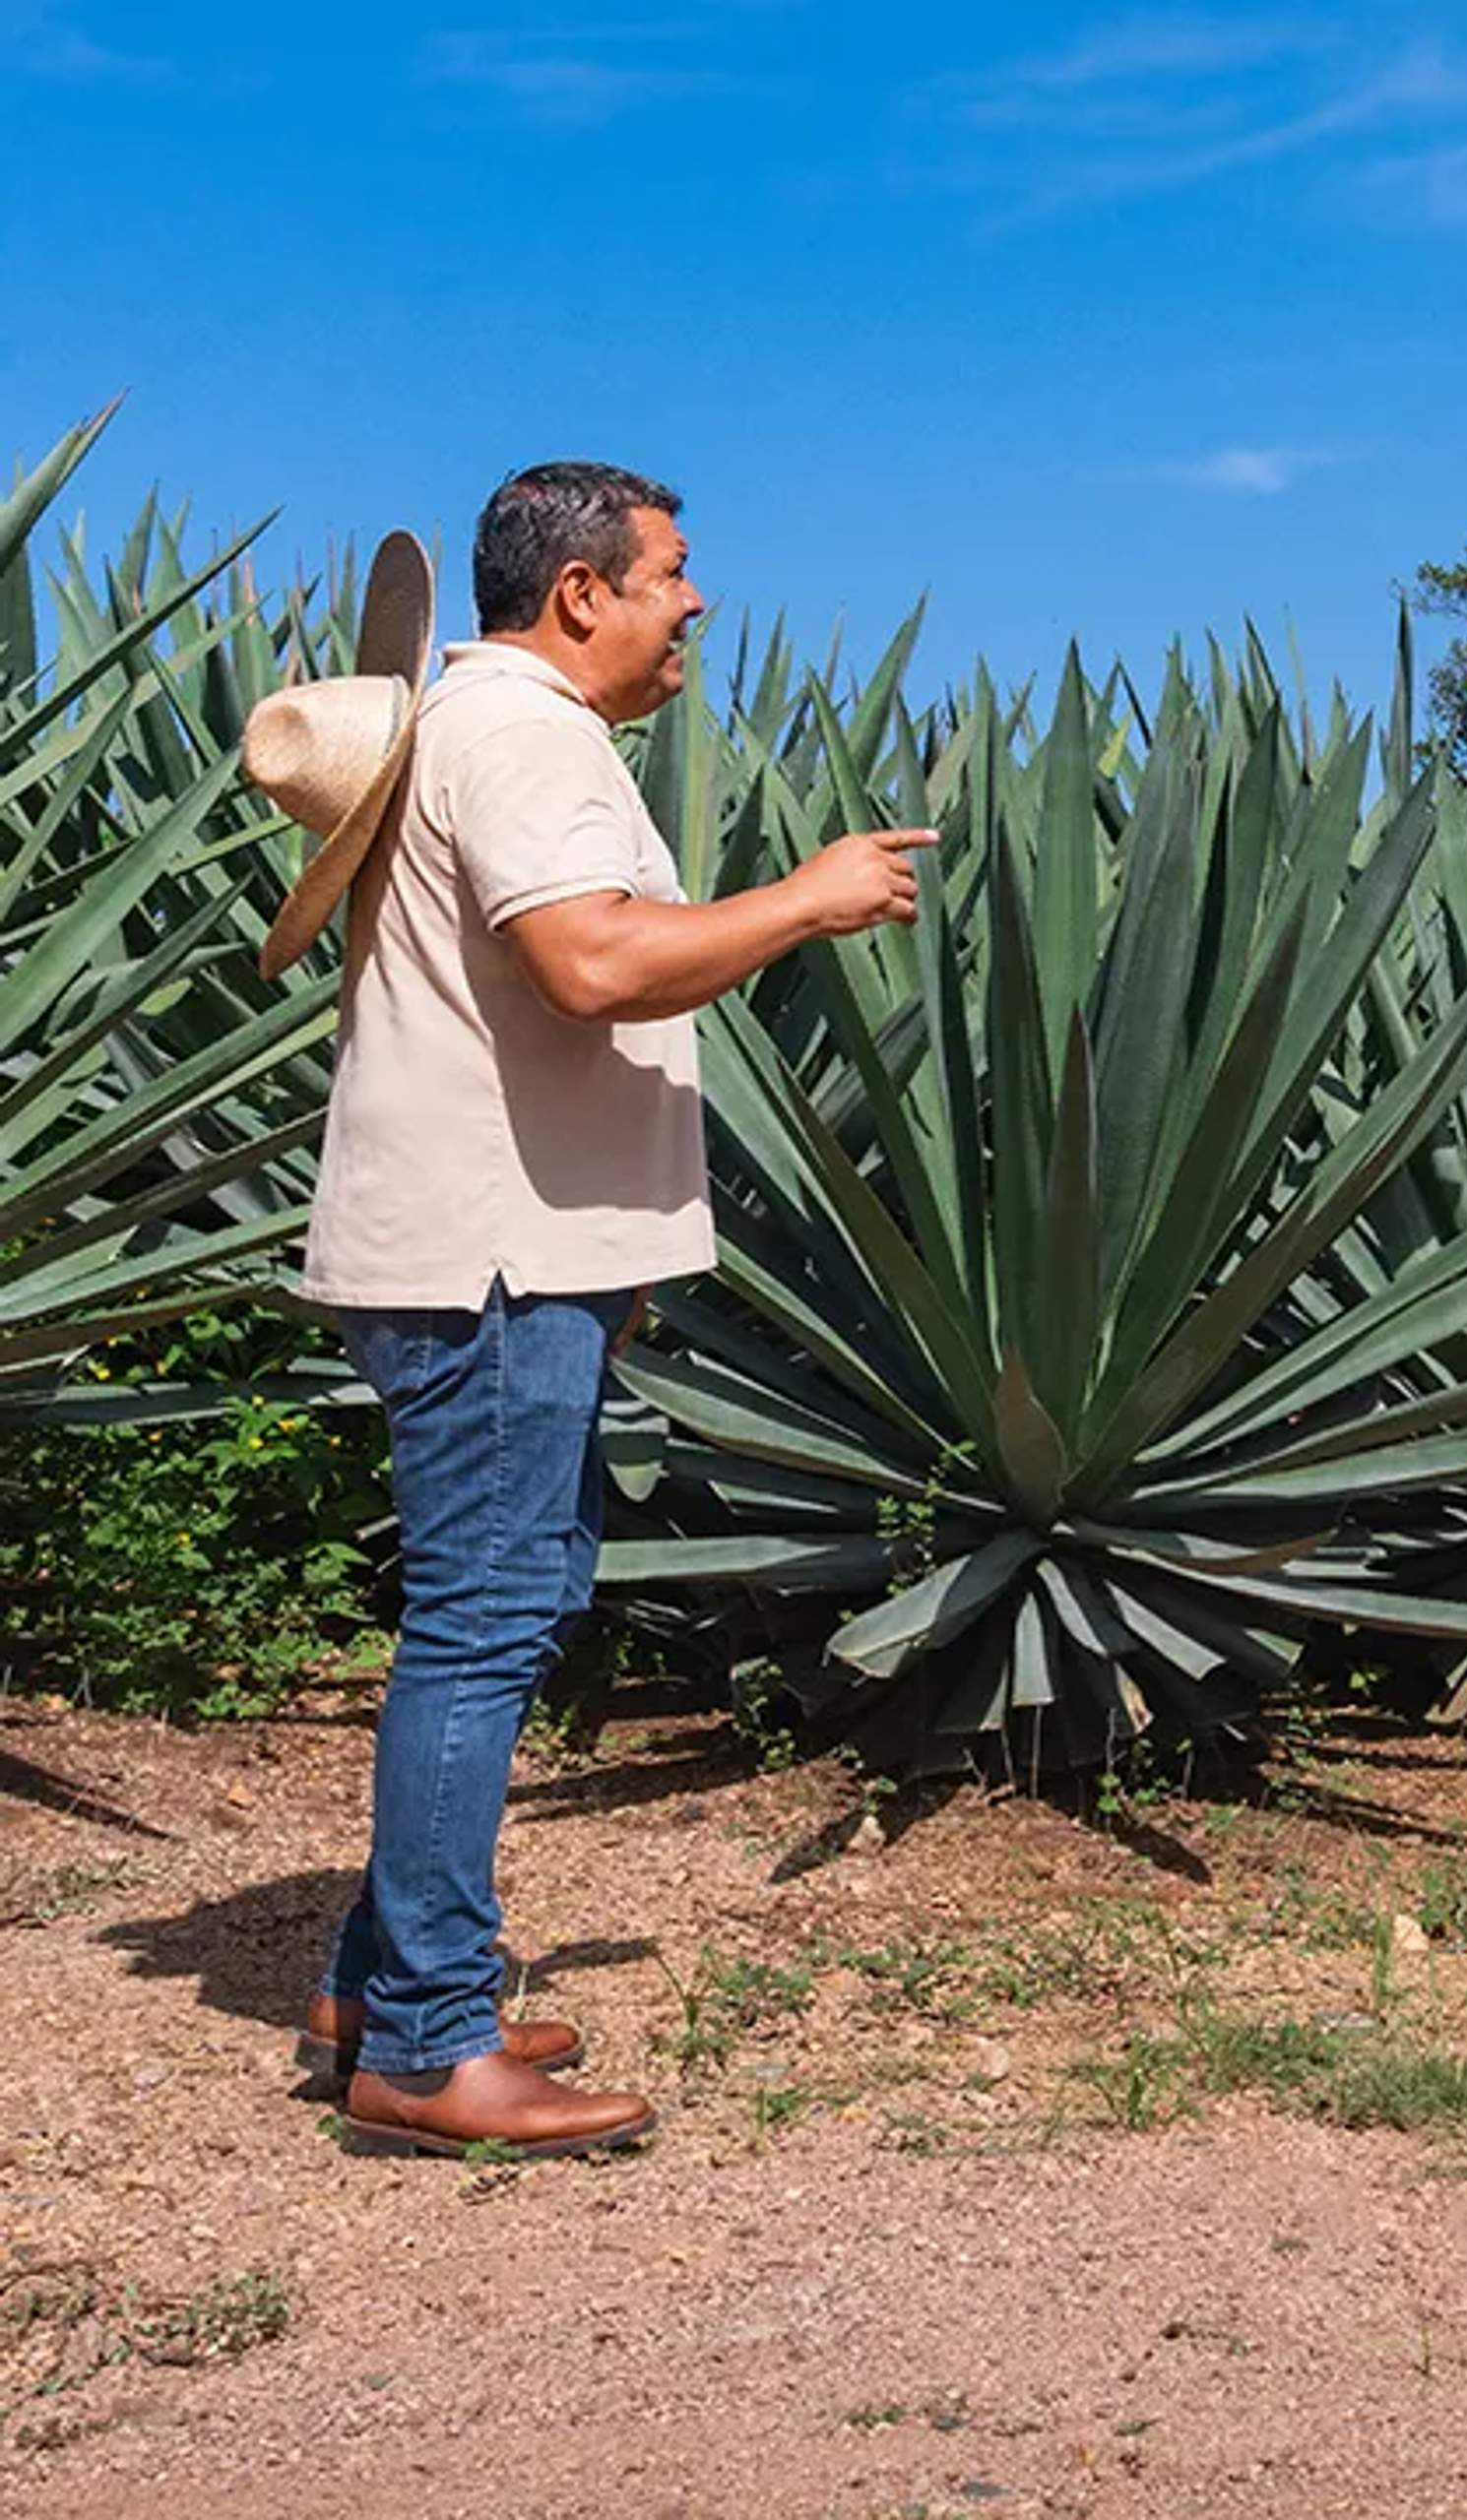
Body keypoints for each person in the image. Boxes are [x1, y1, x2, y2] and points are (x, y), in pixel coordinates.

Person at [268, 462, 932, 2156]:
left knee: (509, 1603)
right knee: (485, 1626)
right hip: (490, 1263)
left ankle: (376, 1988)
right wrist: (813, 897)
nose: (695, 602)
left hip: (511, 1254)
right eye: (674, 572)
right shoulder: (528, 735)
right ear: (582, 593)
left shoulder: (477, 732)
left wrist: (609, 1263)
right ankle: (423, 2045)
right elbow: (592, 965)